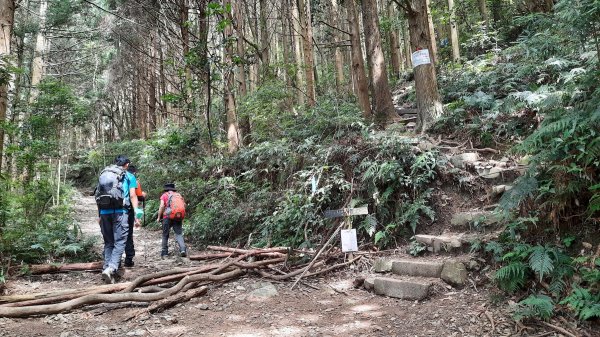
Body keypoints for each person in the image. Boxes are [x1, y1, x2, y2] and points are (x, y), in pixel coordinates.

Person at [95, 155, 143, 283]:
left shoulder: (105, 174)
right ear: (126, 165)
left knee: (109, 242)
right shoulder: (129, 176)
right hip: (120, 212)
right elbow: (133, 196)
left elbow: (98, 195)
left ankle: (107, 268)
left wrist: (99, 215)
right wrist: (137, 216)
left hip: (104, 212)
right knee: (120, 241)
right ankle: (111, 269)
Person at [124, 165, 147, 267]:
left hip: (111, 210)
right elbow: (138, 196)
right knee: (128, 234)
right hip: (127, 210)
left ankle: (112, 262)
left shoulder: (117, 178)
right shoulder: (132, 179)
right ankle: (128, 259)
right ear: (134, 172)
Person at [157, 183, 187, 258]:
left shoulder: (164, 195)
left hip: (167, 217)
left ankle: (164, 253)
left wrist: (158, 217)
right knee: (179, 234)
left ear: (166, 189)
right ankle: (183, 249)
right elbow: (184, 205)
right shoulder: (178, 195)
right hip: (177, 216)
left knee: (165, 234)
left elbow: (161, 206)